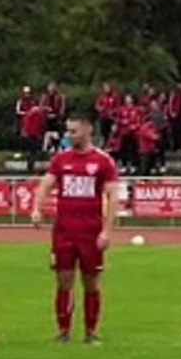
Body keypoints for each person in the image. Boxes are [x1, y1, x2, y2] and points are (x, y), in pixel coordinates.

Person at [32, 115, 120, 345]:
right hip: (64, 232)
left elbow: (113, 197)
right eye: (68, 131)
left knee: (91, 283)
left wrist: (107, 231)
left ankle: (91, 332)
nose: (70, 136)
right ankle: (64, 331)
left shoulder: (103, 161)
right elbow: (45, 184)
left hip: (90, 232)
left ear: (88, 130)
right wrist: (37, 208)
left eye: (74, 131)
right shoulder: (61, 159)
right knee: (63, 281)